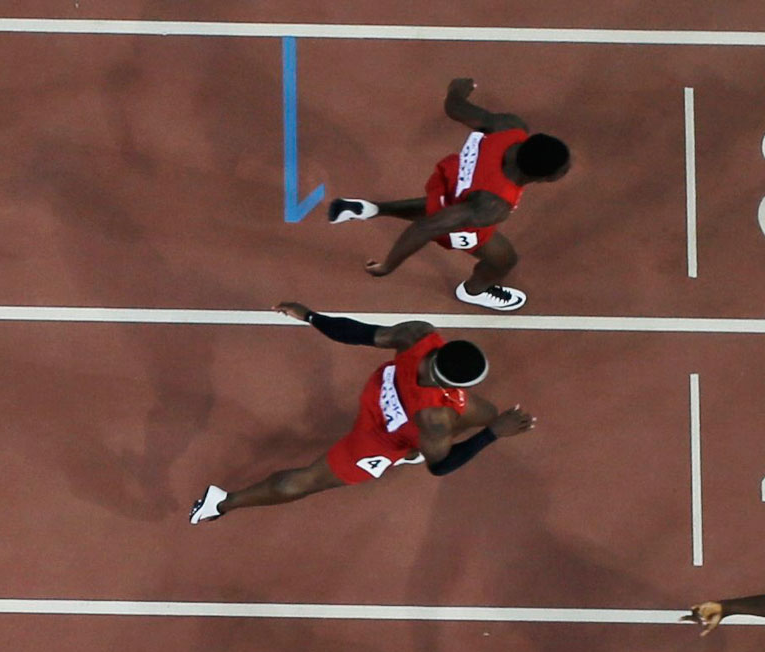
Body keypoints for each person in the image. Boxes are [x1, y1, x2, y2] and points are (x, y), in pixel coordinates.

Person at [189, 305, 532, 522]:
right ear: (451, 384)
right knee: (308, 480)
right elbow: (440, 466)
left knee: (483, 411)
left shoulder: (420, 335)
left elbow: (359, 333)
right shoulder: (436, 418)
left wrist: (311, 317)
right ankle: (222, 503)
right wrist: (492, 435)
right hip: (380, 438)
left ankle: (415, 447)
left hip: (382, 389)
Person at [328, 75, 572, 313]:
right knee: (504, 260)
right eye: (559, 172)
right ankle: (473, 291)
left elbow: (455, 108)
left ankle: (370, 209)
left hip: (448, 180)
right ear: (540, 178)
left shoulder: (508, 126)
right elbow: (426, 228)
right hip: (466, 208)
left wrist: (457, 91)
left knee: (436, 205)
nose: (566, 170)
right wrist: (387, 267)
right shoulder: (495, 206)